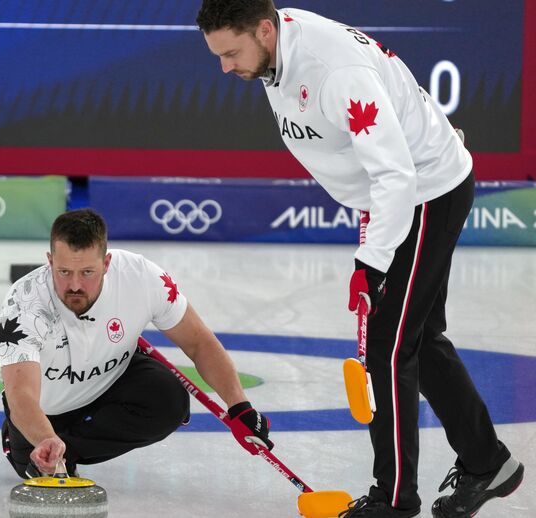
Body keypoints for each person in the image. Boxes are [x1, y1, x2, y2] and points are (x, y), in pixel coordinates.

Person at [195, 2, 524, 517]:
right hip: (397, 194)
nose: (225, 66)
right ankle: (488, 463)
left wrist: (371, 262)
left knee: (389, 351)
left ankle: (393, 501)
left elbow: (397, 176)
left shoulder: (335, 72)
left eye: (231, 53)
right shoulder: (275, 45)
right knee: (418, 338)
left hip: (423, 195)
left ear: (264, 29)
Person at [0, 208, 272, 479]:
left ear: (106, 264)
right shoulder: (24, 304)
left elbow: (199, 342)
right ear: (49, 260)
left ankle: (70, 451)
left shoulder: (141, 277)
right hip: (47, 411)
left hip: (111, 380)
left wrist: (239, 405)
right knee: (33, 461)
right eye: (64, 271)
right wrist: (45, 439)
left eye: (88, 272)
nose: (75, 285)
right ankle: (45, 444)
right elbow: (22, 397)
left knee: (169, 401)